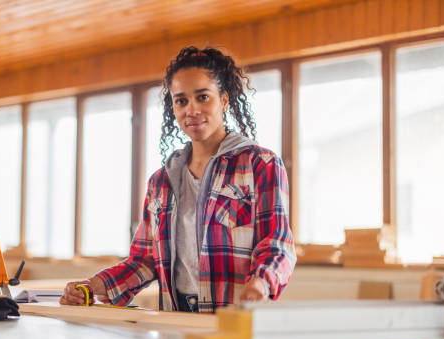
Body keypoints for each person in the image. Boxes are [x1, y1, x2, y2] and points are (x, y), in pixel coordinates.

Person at [60, 46, 296, 313]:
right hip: (175, 318)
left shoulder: (260, 164)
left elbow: (277, 245)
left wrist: (260, 285)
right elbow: (145, 260)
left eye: (203, 97)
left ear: (225, 101)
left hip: (235, 319)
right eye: (181, 101)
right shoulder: (161, 181)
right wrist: (94, 286)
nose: (191, 110)